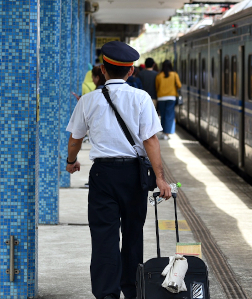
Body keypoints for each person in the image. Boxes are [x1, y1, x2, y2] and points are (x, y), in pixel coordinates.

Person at [65, 41, 172, 299]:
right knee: (133, 235)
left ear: (103, 69)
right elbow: (151, 141)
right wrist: (159, 177)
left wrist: (71, 161)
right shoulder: (142, 98)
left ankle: (106, 294)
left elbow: (75, 139)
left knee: (104, 237)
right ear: (130, 71)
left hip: (103, 176)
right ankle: (132, 291)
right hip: (134, 175)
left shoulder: (88, 101)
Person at [155, 60, 182, 140]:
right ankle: (167, 133)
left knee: (163, 115)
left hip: (161, 97)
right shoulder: (174, 74)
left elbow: (157, 87)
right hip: (171, 97)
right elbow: (179, 85)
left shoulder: (159, 75)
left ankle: (163, 133)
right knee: (169, 115)